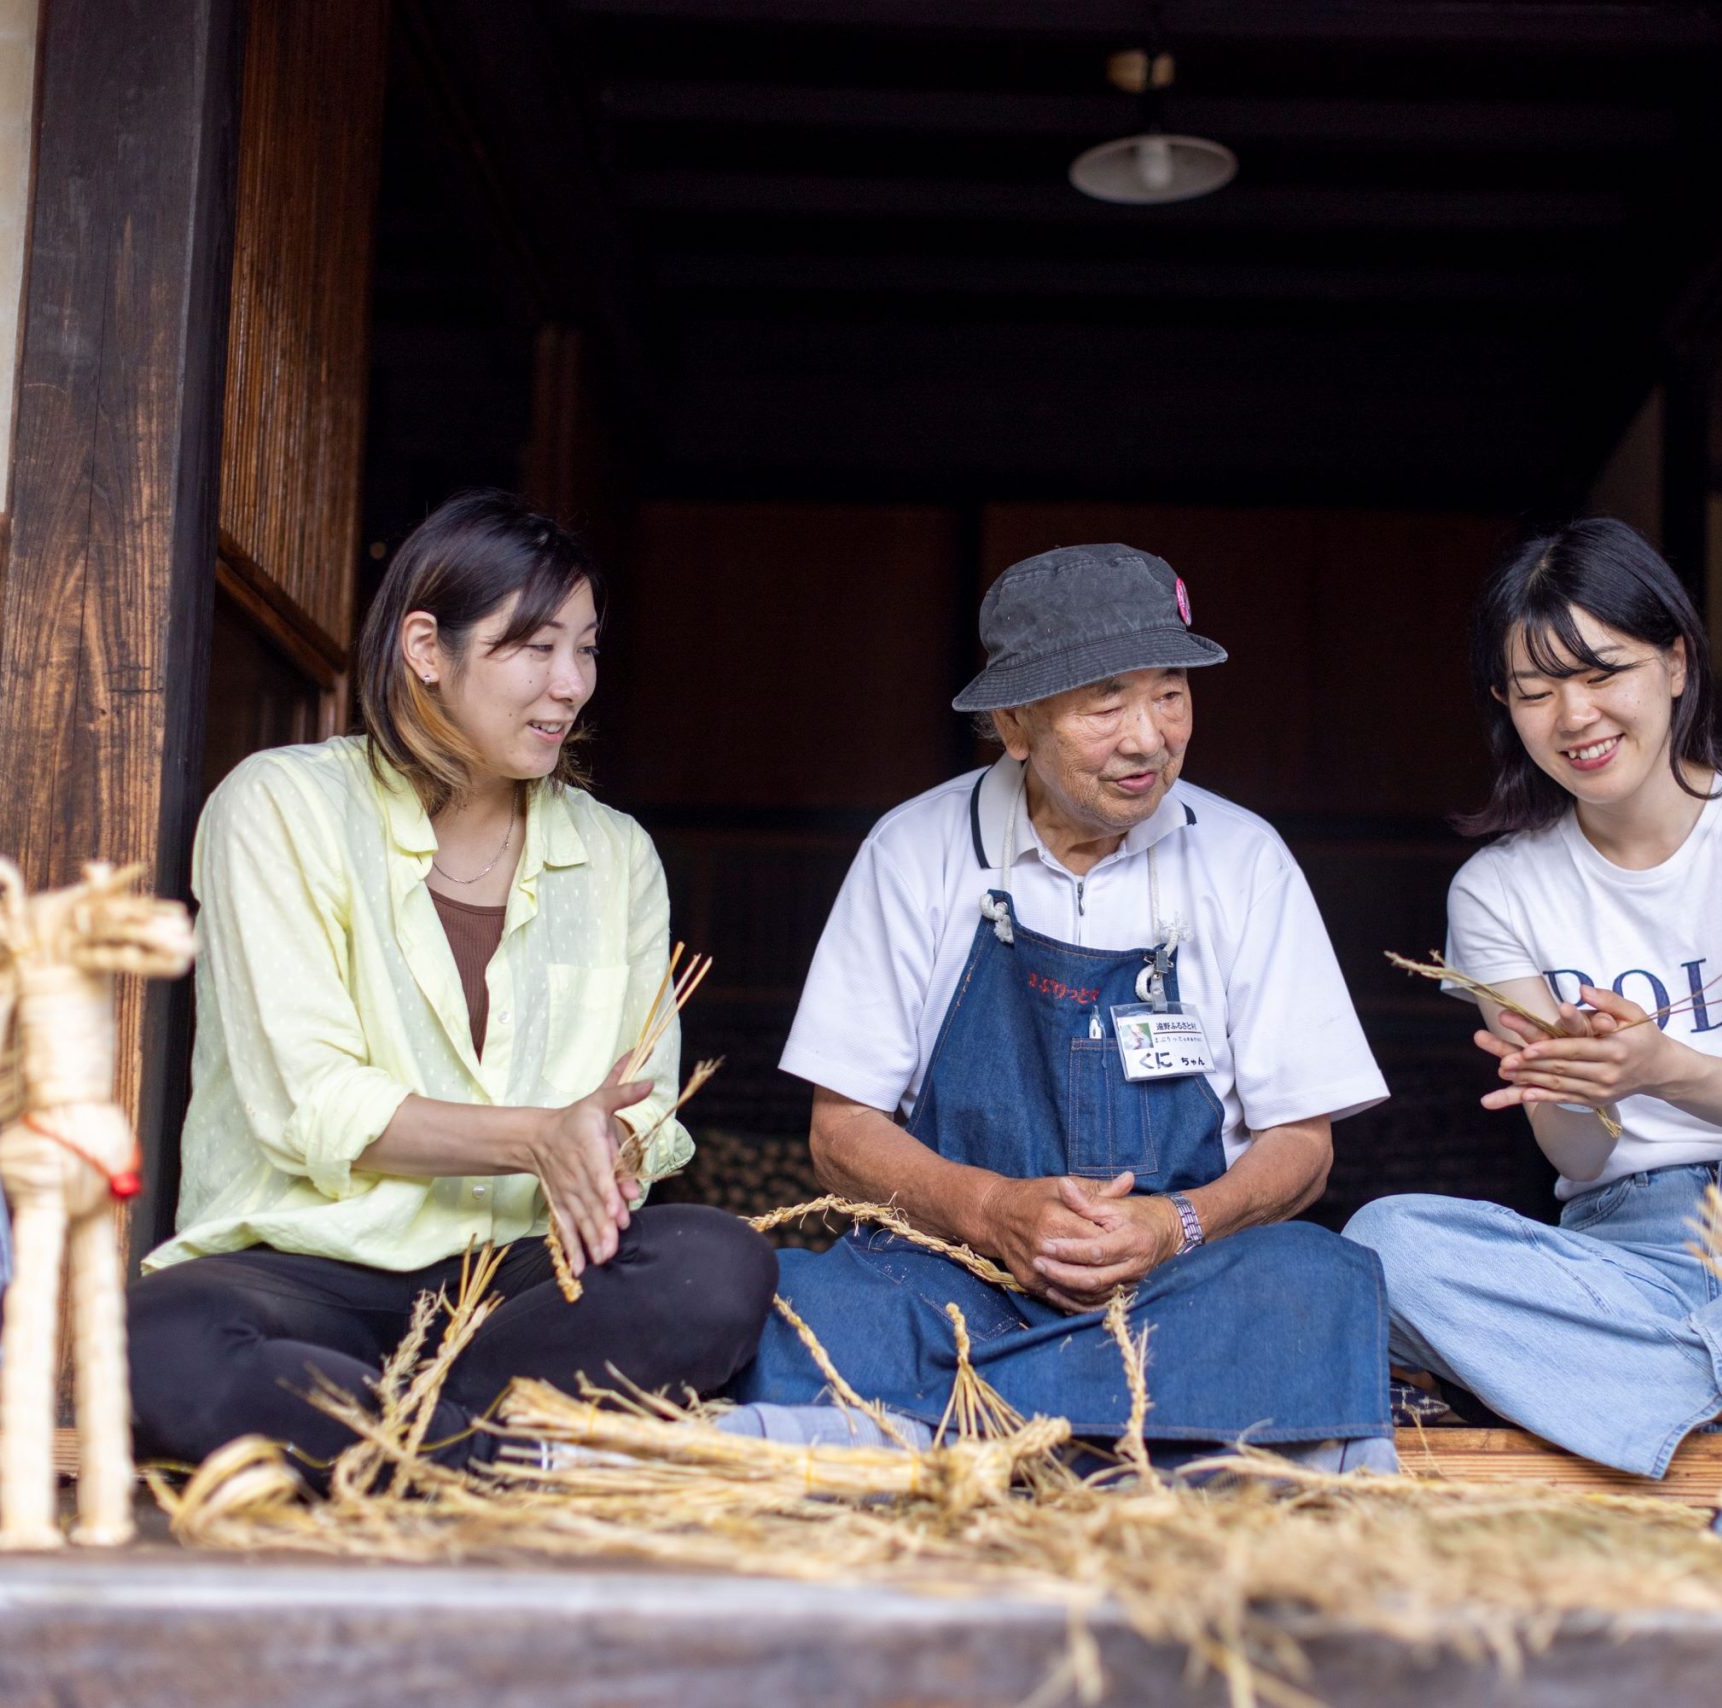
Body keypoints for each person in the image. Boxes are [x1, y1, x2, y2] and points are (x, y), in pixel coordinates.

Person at [128, 491, 776, 1476]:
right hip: (313, 1272)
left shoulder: (616, 856)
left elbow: (645, 1108)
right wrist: (536, 1135)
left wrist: (610, 1148)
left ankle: (393, 1446)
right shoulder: (281, 807)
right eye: (534, 646)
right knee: (158, 1338)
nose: (570, 684)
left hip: (522, 1290)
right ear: (427, 646)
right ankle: (499, 1449)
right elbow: (306, 1102)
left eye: (587, 649)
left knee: (717, 1265)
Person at [729, 544, 1395, 1468]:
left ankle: (939, 1444)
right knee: (801, 1298)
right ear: (1014, 722)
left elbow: (1303, 1147)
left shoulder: (1245, 861)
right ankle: (1163, 1456)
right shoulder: (913, 850)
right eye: (1104, 703)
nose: (1148, 737)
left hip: (1176, 1287)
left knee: (1319, 1279)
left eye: (1169, 692)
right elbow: (841, 1130)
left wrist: (1176, 1224)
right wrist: (991, 1207)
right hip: (959, 1272)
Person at [1343, 518, 1722, 1478]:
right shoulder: (1499, 890)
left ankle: (1652, 1388)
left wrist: (1662, 1066)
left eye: (1604, 673)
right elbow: (1573, 1150)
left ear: (1676, 663)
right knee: (1383, 1246)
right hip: (1631, 1256)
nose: (1575, 716)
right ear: (1505, 706)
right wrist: (1579, 1085)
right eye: (1536, 689)